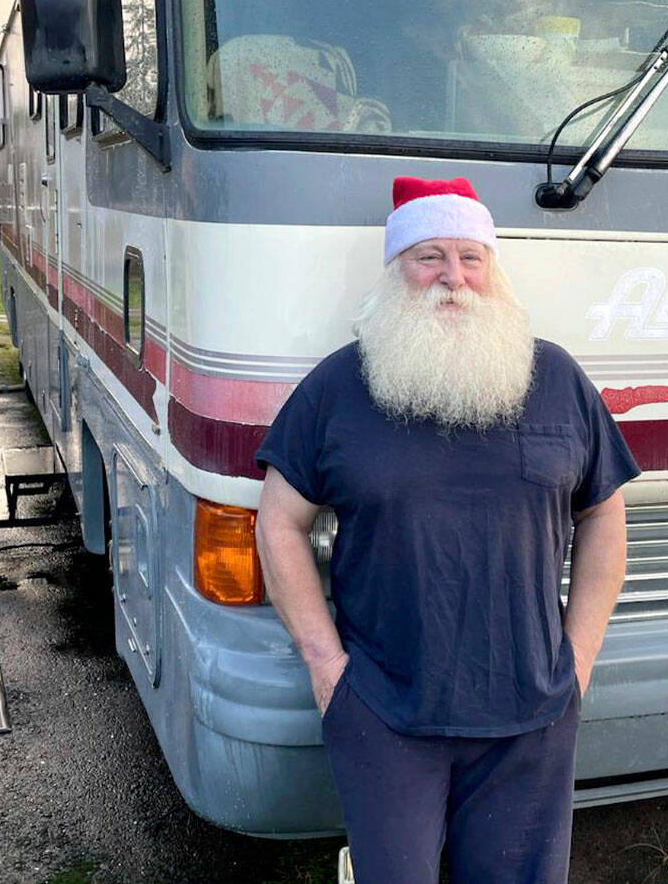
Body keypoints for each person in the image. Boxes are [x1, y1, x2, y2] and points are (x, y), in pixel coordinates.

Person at [254, 175, 640, 883]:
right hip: (385, 714)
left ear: (492, 270)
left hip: (533, 717)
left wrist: (578, 661)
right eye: (428, 256)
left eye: (470, 257)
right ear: (397, 270)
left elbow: (603, 512)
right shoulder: (338, 388)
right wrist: (326, 667)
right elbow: (279, 520)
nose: (452, 278)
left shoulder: (556, 379)